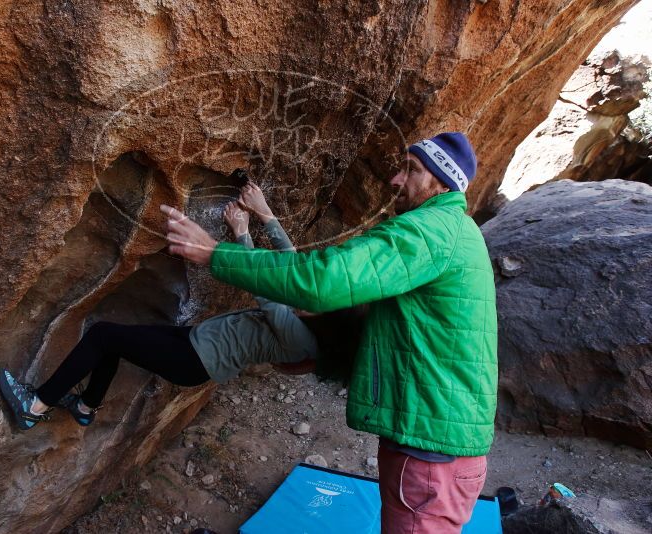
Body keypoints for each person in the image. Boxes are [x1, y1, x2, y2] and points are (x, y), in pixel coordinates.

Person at [161, 132, 498, 534]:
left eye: (411, 170)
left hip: (428, 454)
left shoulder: (431, 231)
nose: (395, 180)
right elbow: (315, 288)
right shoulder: (461, 231)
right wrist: (265, 219)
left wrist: (217, 253)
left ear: (442, 183)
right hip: (443, 445)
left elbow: (323, 280)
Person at [0, 182, 320, 431]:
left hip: (193, 360)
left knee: (102, 336)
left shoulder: (302, 340)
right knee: (114, 342)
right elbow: (297, 270)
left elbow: (262, 284)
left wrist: (242, 232)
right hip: (197, 342)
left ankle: (35, 406)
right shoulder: (318, 323)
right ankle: (85, 407)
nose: (307, 303)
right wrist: (265, 213)